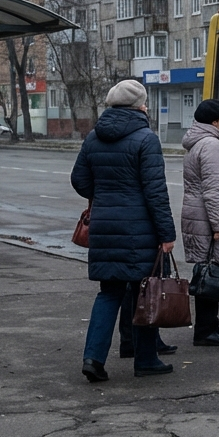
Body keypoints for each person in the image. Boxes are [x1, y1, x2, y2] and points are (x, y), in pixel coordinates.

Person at [71, 80, 178, 382]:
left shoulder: (93, 137)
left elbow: (79, 179)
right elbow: (156, 192)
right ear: (140, 105)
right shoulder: (146, 138)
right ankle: (145, 360)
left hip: (105, 225)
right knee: (145, 292)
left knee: (108, 293)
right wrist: (167, 234)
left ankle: (93, 358)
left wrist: (104, 196)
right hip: (140, 228)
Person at [181, 99, 219, 348]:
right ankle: (206, 330)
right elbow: (214, 191)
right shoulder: (211, 146)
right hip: (208, 220)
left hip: (198, 217)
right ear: (213, 121)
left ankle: (209, 327)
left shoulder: (199, 143)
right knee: (211, 273)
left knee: (208, 271)